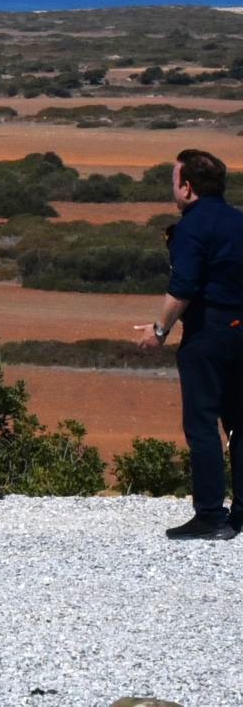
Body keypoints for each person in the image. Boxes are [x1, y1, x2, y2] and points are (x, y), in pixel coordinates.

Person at [138, 146, 243, 540]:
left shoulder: (191, 228)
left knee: (202, 423)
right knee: (239, 422)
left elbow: (182, 287)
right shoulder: (238, 221)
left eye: (174, 180)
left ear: (187, 187)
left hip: (209, 332)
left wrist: (159, 330)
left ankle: (211, 515)